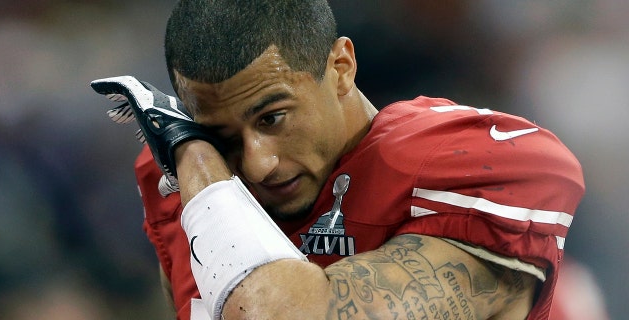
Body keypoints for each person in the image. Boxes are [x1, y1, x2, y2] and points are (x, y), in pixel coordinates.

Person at [92, 1, 585, 319]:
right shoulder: (185, 170)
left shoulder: (474, 160)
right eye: (221, 136)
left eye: (273, 118)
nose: (259, 164)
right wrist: (196, 155)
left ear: (342, 66)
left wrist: (199, 162)